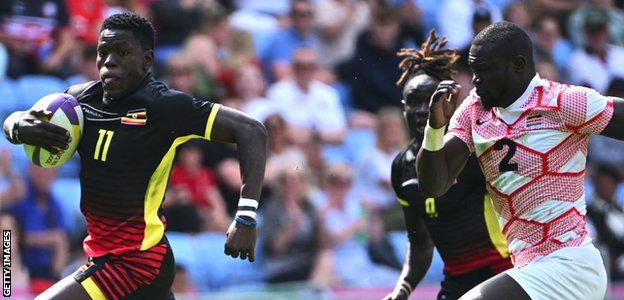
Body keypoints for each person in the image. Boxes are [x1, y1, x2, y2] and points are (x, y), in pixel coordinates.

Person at [2, 12, 268, 300]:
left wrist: (246, 215)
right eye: (103, 51)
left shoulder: (165, 108)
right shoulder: (79, 101)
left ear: (148, 60)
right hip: (112, 255)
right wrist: (18, 125)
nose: (109, 60)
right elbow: (15, 120)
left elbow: (251, 130)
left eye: (122, 52)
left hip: (136, 261)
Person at [416, 21, 624, 299]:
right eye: (474, 71)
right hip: (528, 268)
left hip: (569, 265)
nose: (475, 81)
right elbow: (433, 185)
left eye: (484, 70)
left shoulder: (563, 102)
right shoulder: (474, 110)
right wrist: (434, 128)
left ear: (518, 64)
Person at [384, 31, 511, 300]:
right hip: (456, 283)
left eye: (430, 101)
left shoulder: (475, 150)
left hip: (504, 274)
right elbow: (419, 242)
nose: (422, 110)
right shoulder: (402, 169)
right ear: (403, 108)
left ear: (448, 104)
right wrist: (402, 290)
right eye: (414, 103)